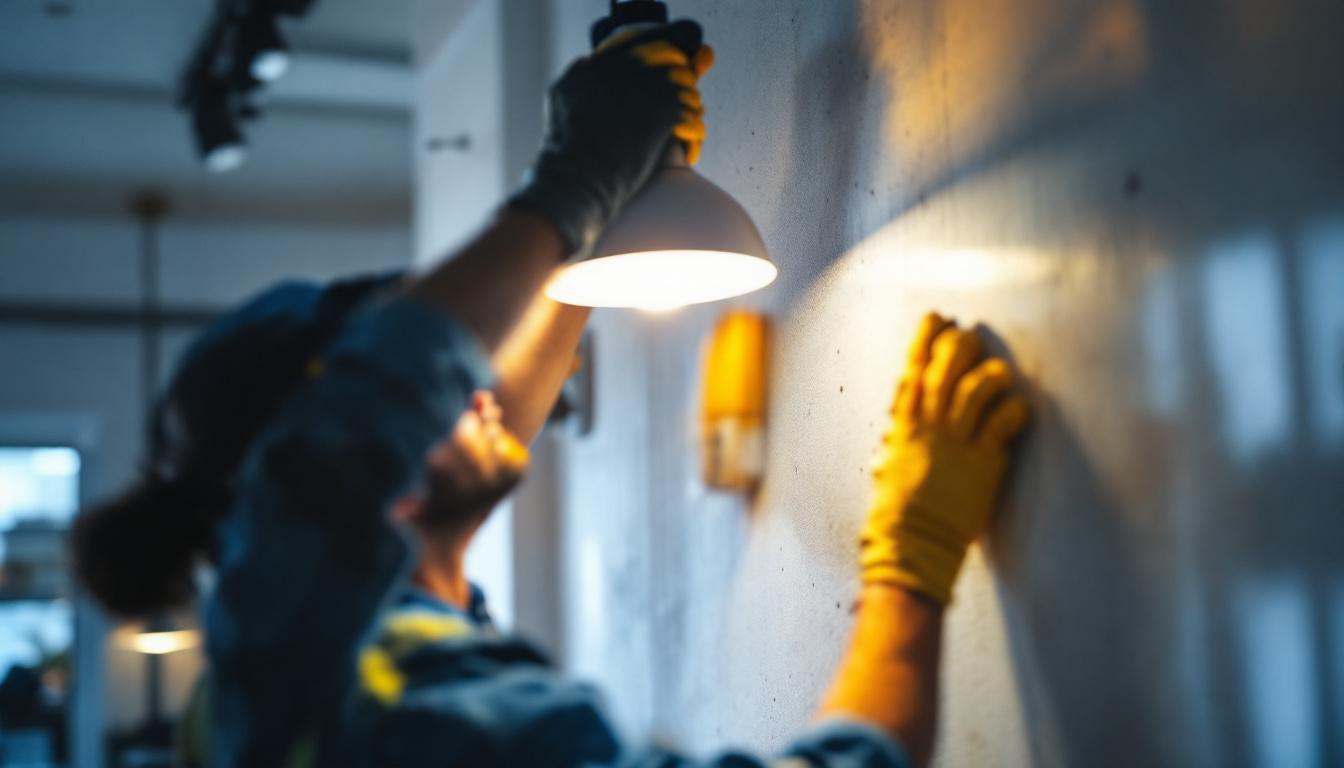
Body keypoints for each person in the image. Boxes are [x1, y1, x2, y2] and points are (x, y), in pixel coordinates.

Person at [72, 18, 1029, 768]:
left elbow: (479, 405)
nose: (470, 393)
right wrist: (910, 565)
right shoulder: (423, 711)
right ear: (348, 443)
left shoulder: (275, 680)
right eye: (427, 387)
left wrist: (596, 208)